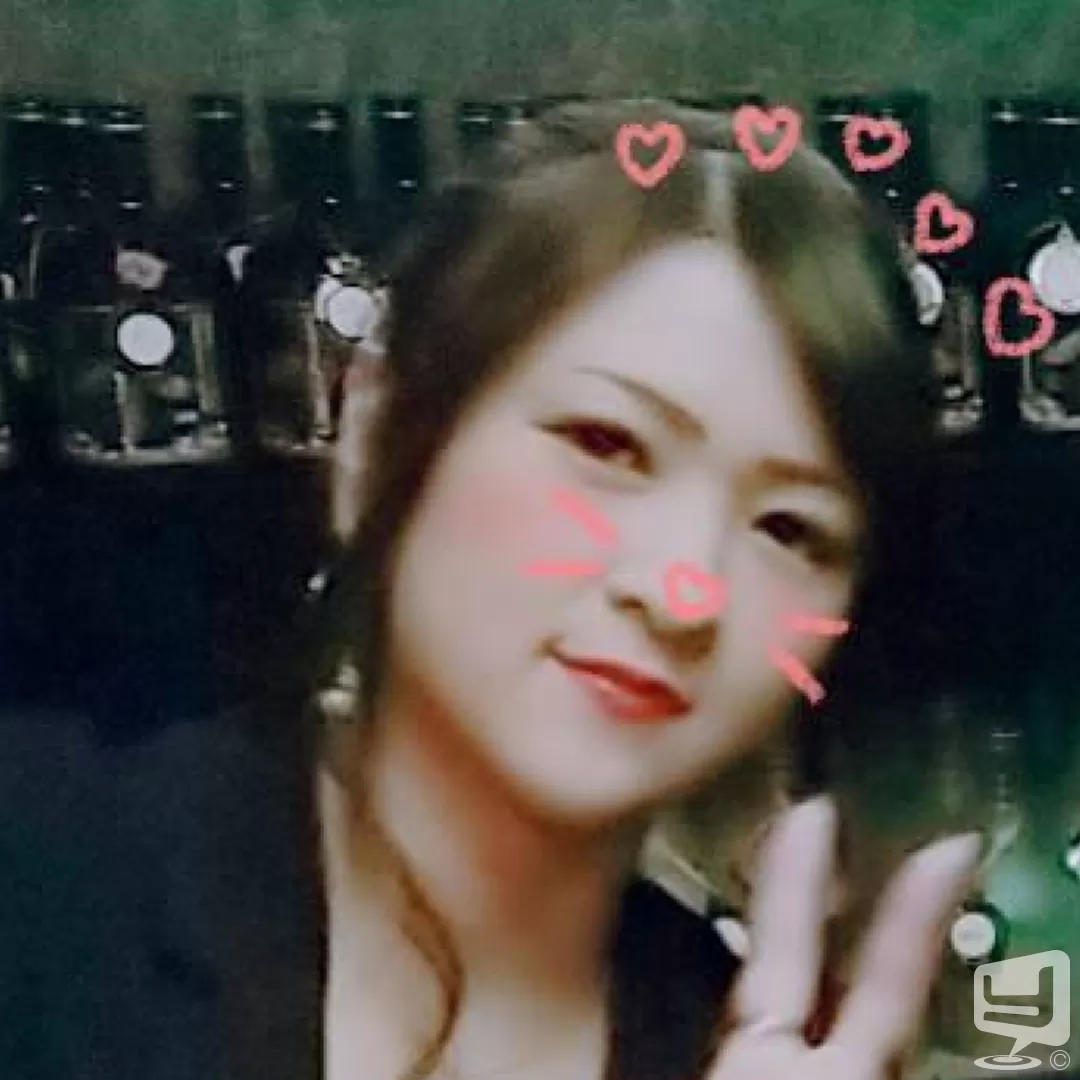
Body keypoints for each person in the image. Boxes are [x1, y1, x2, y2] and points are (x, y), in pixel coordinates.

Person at [0, 99, 983, 1080]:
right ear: (380, 433)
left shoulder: (749, 1047)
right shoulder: (45, 874)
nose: (684, 593)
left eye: (791, 529)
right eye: (607, 443)